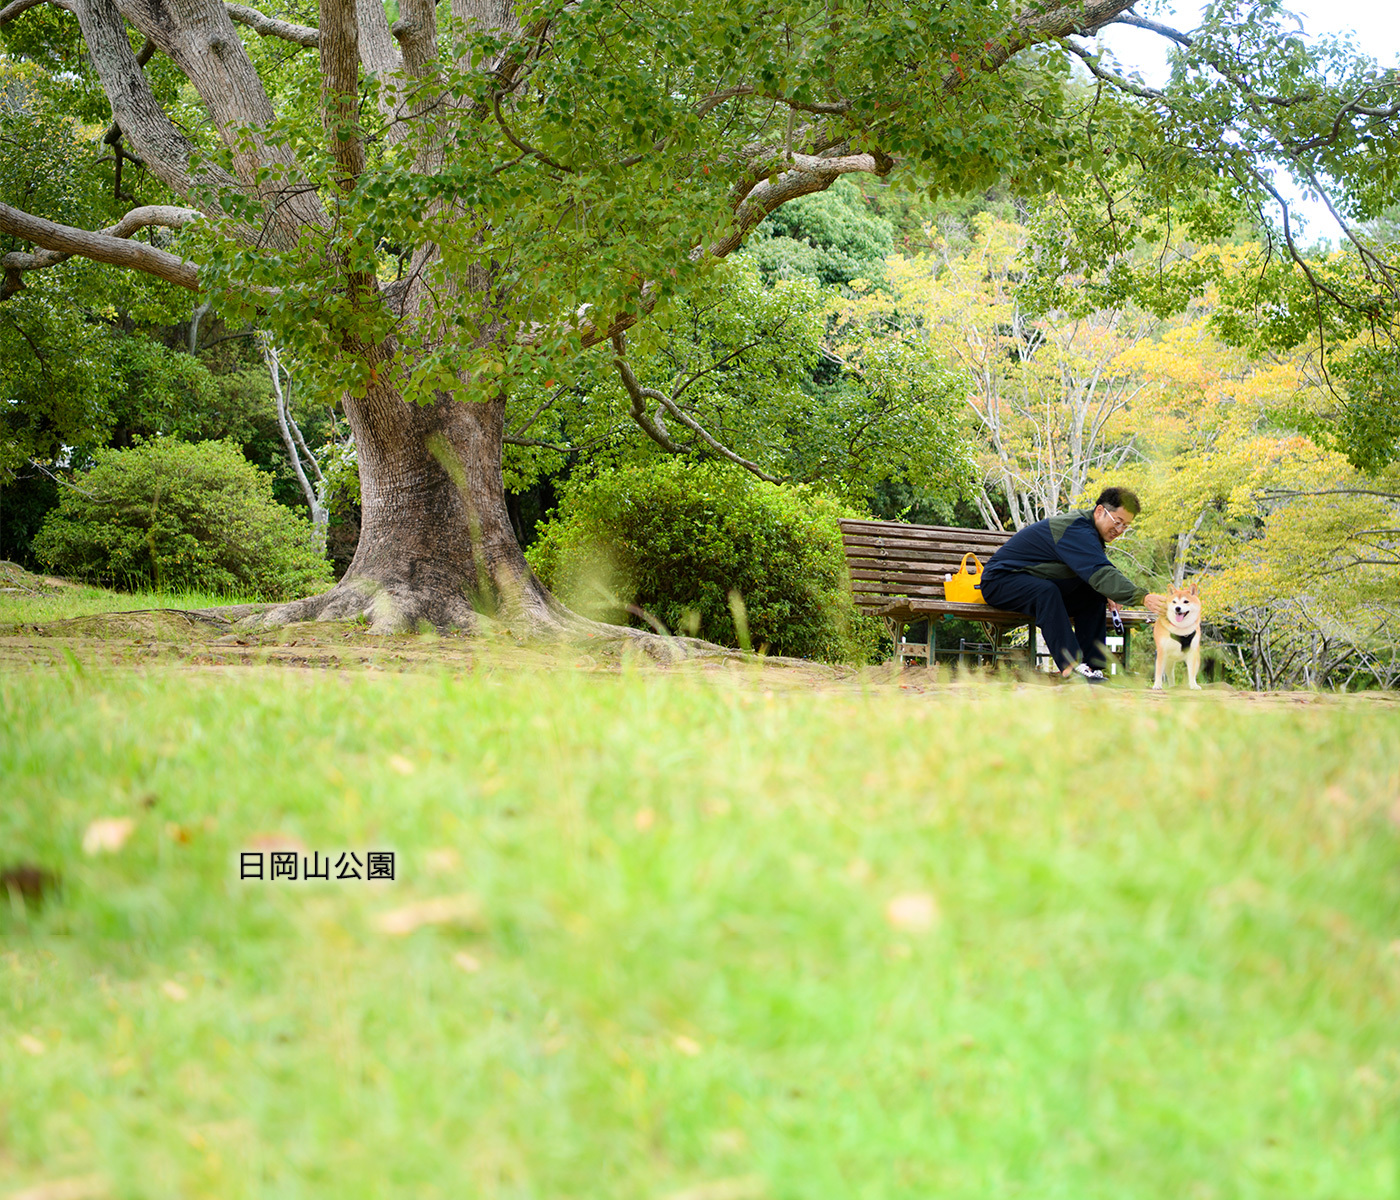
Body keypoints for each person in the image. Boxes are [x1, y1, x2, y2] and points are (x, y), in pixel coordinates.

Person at [979, 487, 1165, 683]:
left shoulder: (1090, 534)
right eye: (1117, 522)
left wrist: (1108, 592)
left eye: (1125, 526)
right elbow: (1100, 571)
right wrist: (1142, 597)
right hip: (1000, 582)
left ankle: (1092, 669)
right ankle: (1071, 667)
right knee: (1046, 592)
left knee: (1093, 594)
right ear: (1100, 511)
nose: (1119, 530)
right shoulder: (1076, 529)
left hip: (1031, 582)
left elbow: (1093, 573)